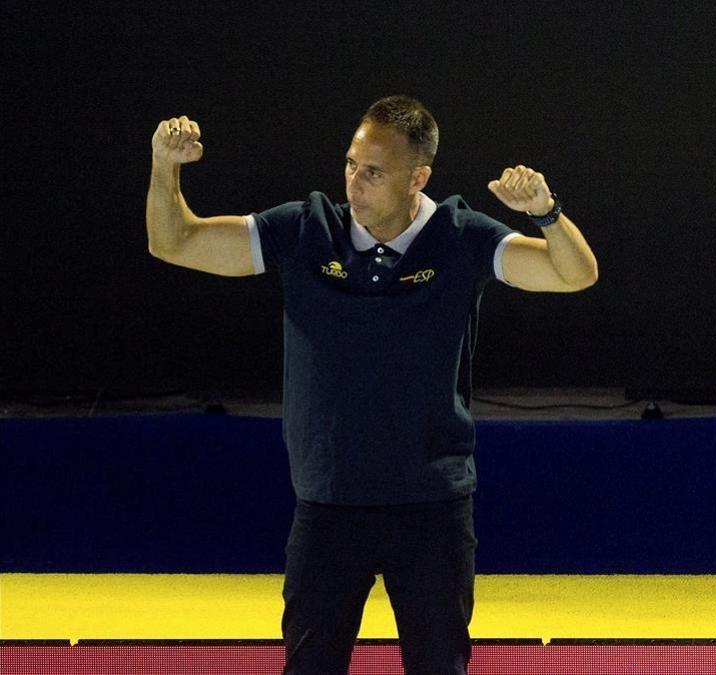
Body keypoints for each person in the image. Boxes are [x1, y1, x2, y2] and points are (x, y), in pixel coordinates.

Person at [145, 95, 598, 675]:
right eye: (352, 166)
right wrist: (165, 165)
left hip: (431, 503)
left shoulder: (462, 236)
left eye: (375, 172)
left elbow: (575, 273)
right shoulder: (305, 228)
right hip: (329, 503)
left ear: (419, 177)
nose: (356, 183)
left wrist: (546, 212)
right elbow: (173, 241)